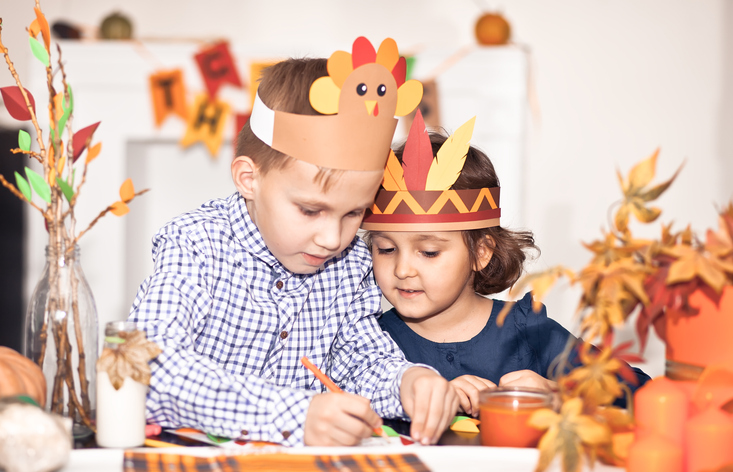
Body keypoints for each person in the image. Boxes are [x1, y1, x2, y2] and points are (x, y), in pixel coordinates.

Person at [128, 38, 458, 447]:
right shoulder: (195, 244)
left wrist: (408, 381)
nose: (333, 238)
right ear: (250, 179)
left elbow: (362, 359)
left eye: (354, 213)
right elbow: (145, 367)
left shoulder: (351, 262)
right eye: (310, 210)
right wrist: (294, 415)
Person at [361, 112, 650, 417]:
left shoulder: (528, 332)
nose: (402, 269)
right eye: (386, 249)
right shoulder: (368, 342)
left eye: (429, 252)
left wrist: (558, 395)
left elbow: (643, 393)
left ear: (481, 253)